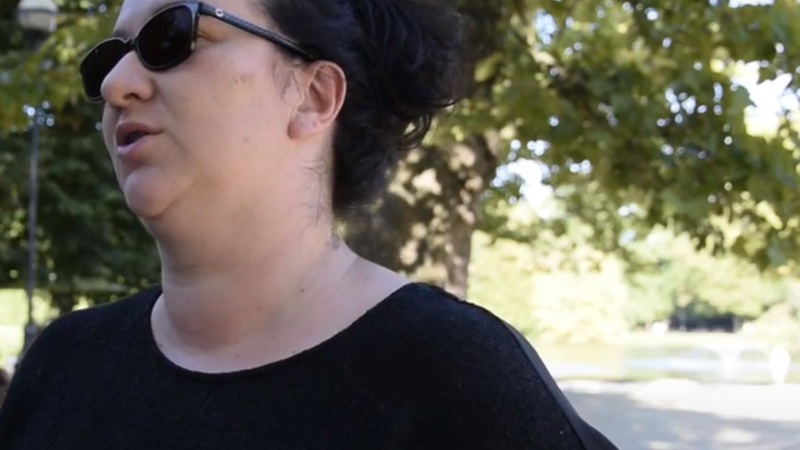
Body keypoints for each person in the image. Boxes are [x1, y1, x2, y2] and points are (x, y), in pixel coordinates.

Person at [0, 0, 617, 448]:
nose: (115, 85)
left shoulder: (455, 375)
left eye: (173, 35)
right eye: (108, 59)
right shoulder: (63, 364)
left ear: (315, 96)